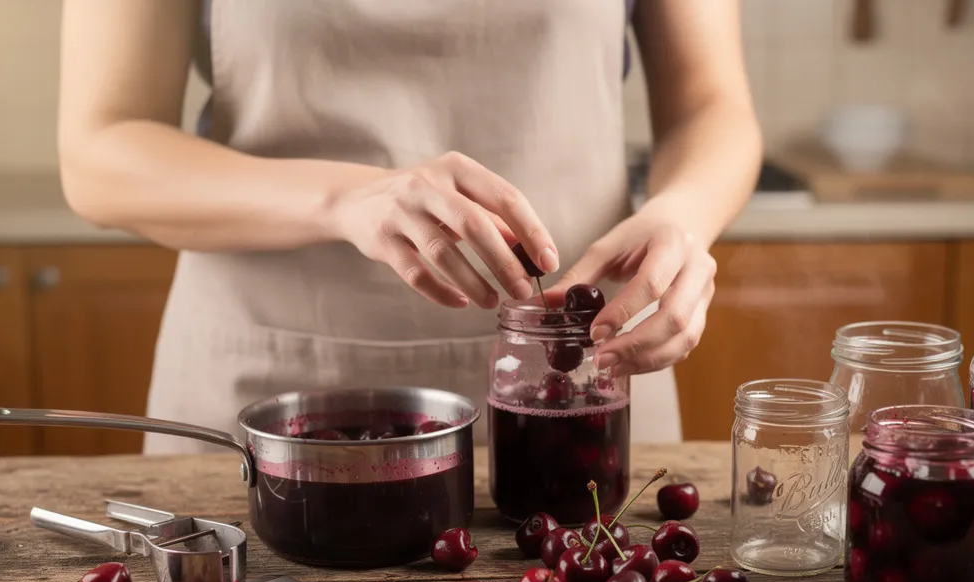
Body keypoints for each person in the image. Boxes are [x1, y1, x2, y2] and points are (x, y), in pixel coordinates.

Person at [58, 0, 761, 450]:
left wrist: (683, 214)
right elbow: (100, 152)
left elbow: (711, 105)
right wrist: (344, 197)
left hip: (582, 382)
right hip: (262, 393)